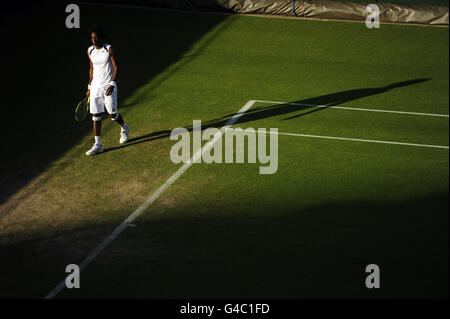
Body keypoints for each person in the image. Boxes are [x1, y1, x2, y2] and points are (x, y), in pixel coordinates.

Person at [85, 25, 129, 156]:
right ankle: (98, 144)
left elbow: (116, 67)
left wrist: (112, 83)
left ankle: (124, 127)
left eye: (96, 38)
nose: (94, 40)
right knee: (96, 115)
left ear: (101, 38)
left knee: (112, 114)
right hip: (95, 87)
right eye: (92, 38)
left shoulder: (108, 49)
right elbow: (91, 68)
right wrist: (89, 86)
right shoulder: (90, 51)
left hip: (108, 86)